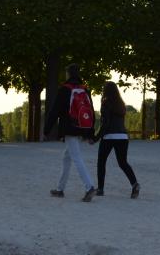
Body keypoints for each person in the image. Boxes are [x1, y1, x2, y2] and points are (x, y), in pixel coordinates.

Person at [44, 63, 97, 202]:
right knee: (66, 157)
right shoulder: (84, 89)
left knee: (76, 157)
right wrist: (90, 133)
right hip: (82, 126)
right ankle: (60, 189)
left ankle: (89, 187)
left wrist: (46, 130)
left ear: (68, 74)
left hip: (69, 127)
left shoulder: (64, 89)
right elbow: (91, 111)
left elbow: (54, 111)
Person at [92, 81, 140, 199]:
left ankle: (100, 189)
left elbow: (105, 124)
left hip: (109, 136)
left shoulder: (106, 103)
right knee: (123, 163)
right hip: (123, 136)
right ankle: (135, 184)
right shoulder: (121, 104)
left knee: (101, 162)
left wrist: (96, 138)